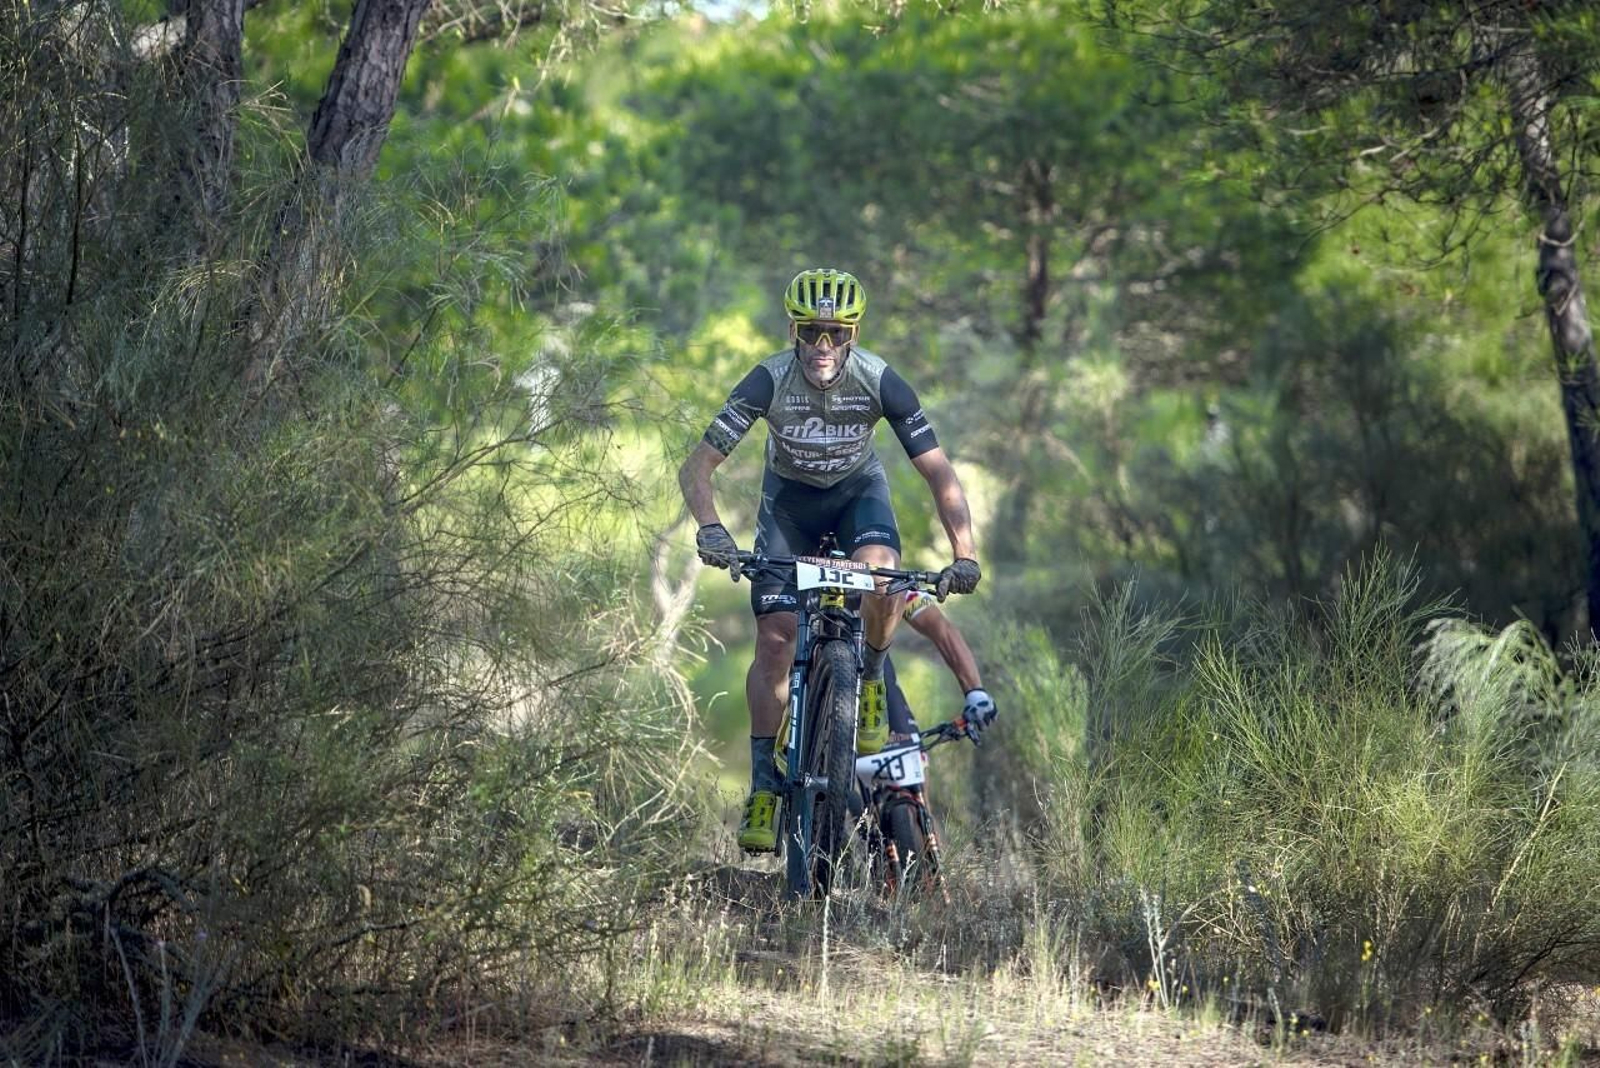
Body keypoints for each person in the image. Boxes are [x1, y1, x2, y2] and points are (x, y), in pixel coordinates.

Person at [678, 267, 982, 853]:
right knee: (775, 638)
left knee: (882, 579)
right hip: (789, 509)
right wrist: (712, 529)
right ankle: (766, 784)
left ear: (854, 334)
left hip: (856, 497)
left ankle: (867, 675)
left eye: (836, 334)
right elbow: (697, 466)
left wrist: (963, 554)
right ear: (794, 330)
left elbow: (939, 473)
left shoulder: (880, 381)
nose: (823, 346)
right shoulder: (768, 380)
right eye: (811, 331)